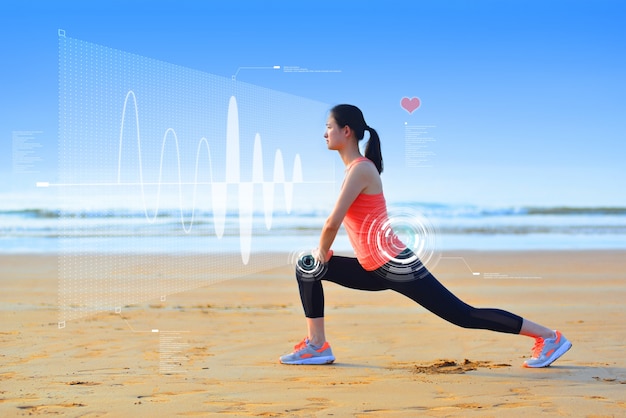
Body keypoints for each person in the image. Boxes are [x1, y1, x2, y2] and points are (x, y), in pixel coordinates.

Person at [279, 104, 571, 368]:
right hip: (373, 267)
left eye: (329, 127)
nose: (324, 133)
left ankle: (549, 337)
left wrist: (323, 252)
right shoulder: (355, 170)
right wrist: (319, 257)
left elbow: (333, 222)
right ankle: (317, 346)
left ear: (346, 130)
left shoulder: (361, 170)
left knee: (463, 315)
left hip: (395, 265)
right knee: (307, 268)